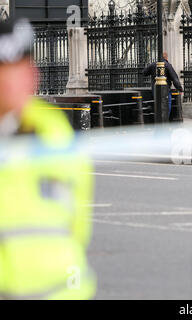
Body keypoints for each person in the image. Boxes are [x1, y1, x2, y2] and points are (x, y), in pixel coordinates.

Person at [0, 18, 96, 299]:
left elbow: (77, 226)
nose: (13, 79)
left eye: (22, 67)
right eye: (5, 68)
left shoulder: (54, 131)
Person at [143, 52, 183, 117]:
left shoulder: (153, 65)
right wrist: (179, 89)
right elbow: (174, 78)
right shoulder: (167, 65)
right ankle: (165, 119)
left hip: (155, 89)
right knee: (167, 105)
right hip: (165, 90)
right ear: (166, 58)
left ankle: (158, 119)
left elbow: (144, 73)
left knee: (157, 105)